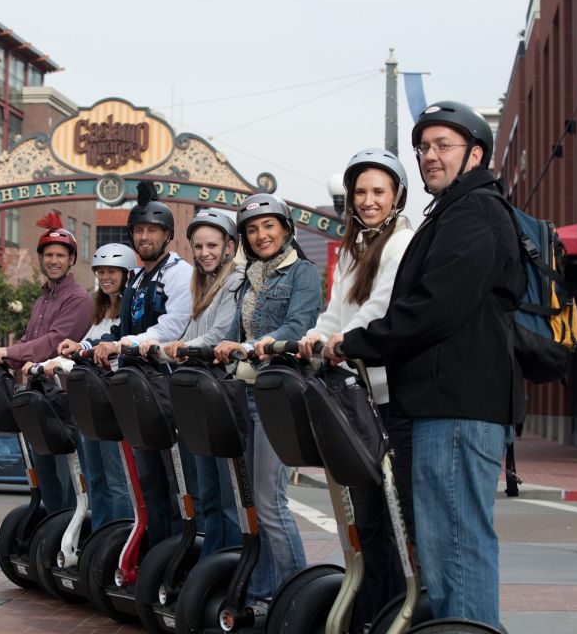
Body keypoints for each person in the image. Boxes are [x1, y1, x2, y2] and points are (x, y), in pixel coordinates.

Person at [329, 101, 525, 630]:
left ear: (476, 154)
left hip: (461, 403)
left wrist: (361, 342)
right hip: (442, 401)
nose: (430, 156)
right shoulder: (453, 213)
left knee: (457, 547)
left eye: (444, 145)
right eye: (424, 147)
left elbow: (433, 308)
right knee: (441, 549)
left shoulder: (476, 213)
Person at [298, 148, 414, 628]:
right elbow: (335, 312)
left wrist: (337, 343)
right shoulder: (351, 248)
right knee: (362, 517)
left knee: (383, 515)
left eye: (378, 192)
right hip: (352, 395)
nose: (368, 201)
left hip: (385, 395)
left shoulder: (400, 244)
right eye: (360, 193)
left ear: (397, 196)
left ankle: (387, 611)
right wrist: (312, 337)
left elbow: (379, 311)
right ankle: (368, 609)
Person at [63, 183, 194, 546]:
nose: (145, 236)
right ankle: (153, 550)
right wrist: (86, 345)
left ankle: (177, 551)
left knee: (172, 482)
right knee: (148, 480)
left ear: (167, 234)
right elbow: (121, 328)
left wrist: (126, 343)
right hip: (136, 389)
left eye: (152, 230)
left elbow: (172, 326)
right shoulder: (138, 279)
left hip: (164, 388)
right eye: (139, 230)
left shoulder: (178, 273)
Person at [213, 193, 321, 606]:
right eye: (253, 230)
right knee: (250, 505)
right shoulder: (248, 278)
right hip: (244, 391)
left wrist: (253, 344)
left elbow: (298, 324)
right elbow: (233, 328)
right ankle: (261, 595)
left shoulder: (302, 274)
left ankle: (297, 599)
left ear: (286, 229)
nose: (261, 235)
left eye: (269, 226)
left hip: (277, 394)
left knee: (270, 503)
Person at [144, 209, 245, 557]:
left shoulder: (234, 281)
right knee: (209, 495)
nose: (205, 252)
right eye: (199, 246)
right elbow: (189, 333)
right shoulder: (202, 284)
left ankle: (227, 566)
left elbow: (220, 334)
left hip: (221, 395)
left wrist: (184, 348)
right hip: (199, 394)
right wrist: (159, 349)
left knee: (227, 499)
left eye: (213, 245)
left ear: (230, 247)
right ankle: (208, 564)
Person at [0, 226, 93, 513]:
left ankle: (68, 539)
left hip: (64, 404)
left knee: (67, 486)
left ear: (71, 259)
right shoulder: (42, 300)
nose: (54, 260)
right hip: (38, 402)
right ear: (41, 258)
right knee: (46, 481)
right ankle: (50, 539)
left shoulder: (78, 299)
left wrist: (8, 352)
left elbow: (52, 343)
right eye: (48, 254)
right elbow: (29, 342)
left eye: (60, 255)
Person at [23, 243, 136, 530]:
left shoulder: (129, 310)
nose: (106, 277)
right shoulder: (100, 310)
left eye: (112, 271)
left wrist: (72, 356)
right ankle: (99, 539)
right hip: (90, 404)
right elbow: (82, 346)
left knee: (116, 480)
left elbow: (114, 347)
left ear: (126, 274)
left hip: (113, 403)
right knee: (95, 478)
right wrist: (58, 358)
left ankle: (117, 539)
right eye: (101, 271)